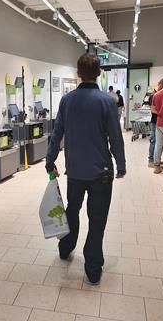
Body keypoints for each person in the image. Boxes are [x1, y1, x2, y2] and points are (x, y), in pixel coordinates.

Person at [45, 53, 126, 285]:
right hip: (101, 173)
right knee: (97, 220)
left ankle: (65, 247)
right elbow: (115, 137)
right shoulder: (107, 101)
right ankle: (92, 268)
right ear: (99, 72)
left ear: (78, 73)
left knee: (73, 210)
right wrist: (121, 165)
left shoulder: (67, 100)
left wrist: (50, 161)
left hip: (75, 172)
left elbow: (57, 133)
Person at [147, 81, 163, 168]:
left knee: (159, 142)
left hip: (160, 122)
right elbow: (153, 110)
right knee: (154, 141)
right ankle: (151, 160)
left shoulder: (160, 96)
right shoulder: (153, 97)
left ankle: (157, 159)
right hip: (154, 122)